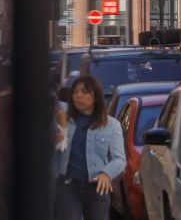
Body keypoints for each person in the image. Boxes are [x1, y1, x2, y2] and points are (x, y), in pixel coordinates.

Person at [51, 75, 125, 220]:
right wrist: (56, 137)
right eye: (75, 92)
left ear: (96, 97)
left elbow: (120, 159)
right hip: (68, 185)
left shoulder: (111, 125)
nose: (78, 95)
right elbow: (57, 148)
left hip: (97, 187)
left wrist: (106, 174)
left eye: (84, 92)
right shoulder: (63, 118)